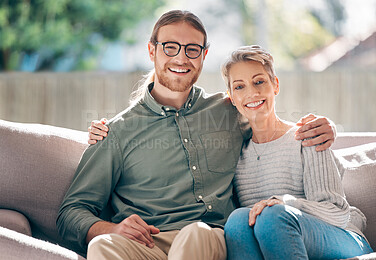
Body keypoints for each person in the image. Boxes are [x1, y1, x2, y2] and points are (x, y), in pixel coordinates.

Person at [59, 10, 336, 260]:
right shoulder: (117, 132)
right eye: (170, 47)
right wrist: (112, 228)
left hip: (209, 238)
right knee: (102, 246)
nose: (181, 58)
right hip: (146, 245)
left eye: (192, 49)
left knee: (195, 235)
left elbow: (268, 120)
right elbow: (71, 212)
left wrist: (324, 127)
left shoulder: (228, 111)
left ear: (203, 56)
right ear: (151, 51)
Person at [220, 45, 373, 259]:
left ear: (275, 85)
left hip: (343, 238)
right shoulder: (236, 155)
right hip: (280, 241)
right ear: (232, 97)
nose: (251, 93)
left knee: (273, 216)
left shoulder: (307, 137)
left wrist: (286, 203)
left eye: (259, 82)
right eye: (239, 87)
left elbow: (337, 213)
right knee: (237, 221)